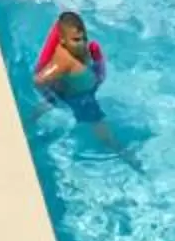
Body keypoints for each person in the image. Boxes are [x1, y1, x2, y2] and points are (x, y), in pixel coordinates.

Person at [33, 9, 120, 150]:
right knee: (105, 136)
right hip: (80, 99)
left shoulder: (79, 49)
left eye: (84, 38)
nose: (82, 43)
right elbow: (39, 80)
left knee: (43, 109)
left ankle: (28, 122)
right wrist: (52, 95)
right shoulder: (63, 62)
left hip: (80, 91)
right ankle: (125, 155)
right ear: (62, 40)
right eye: (76, 40)